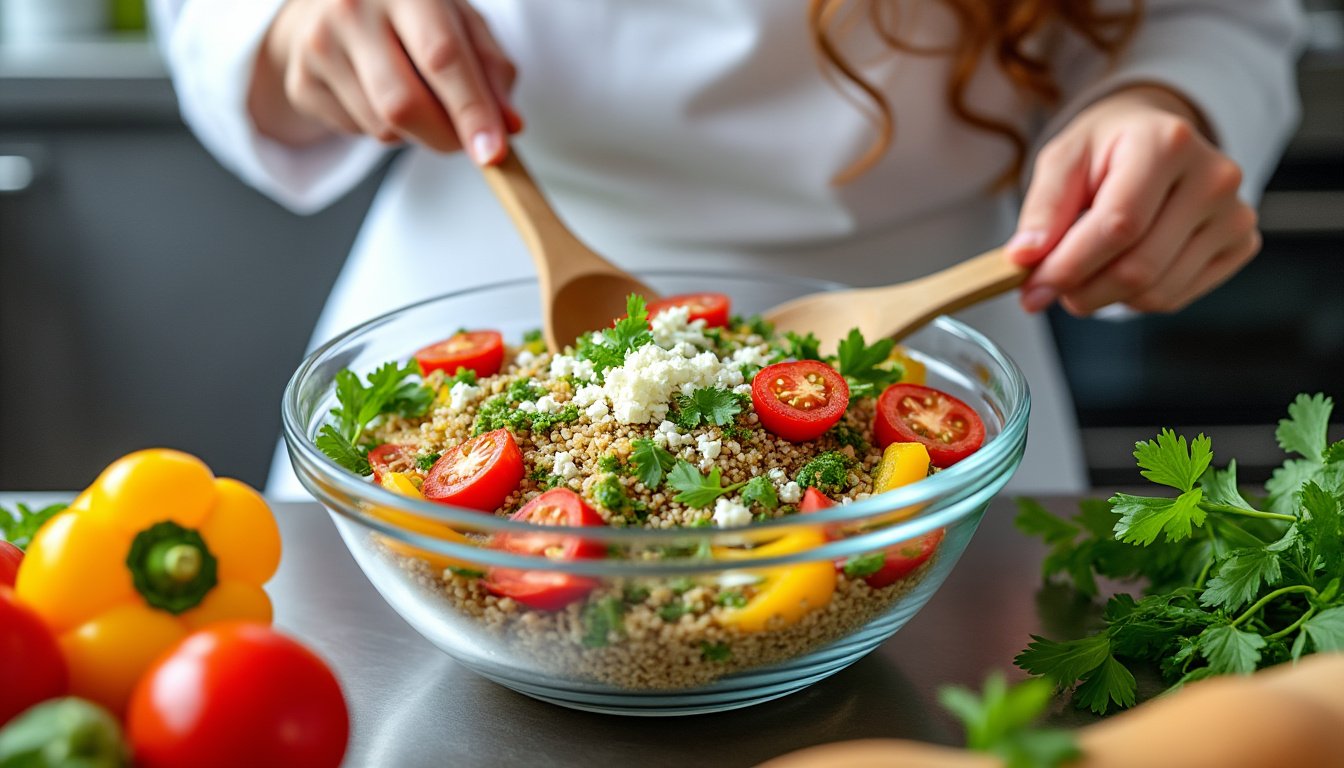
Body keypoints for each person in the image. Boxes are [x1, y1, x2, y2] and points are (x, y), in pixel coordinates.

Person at [151, 0, 1302, 496]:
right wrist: (288, 29)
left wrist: (1171, 98)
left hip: (934, 354)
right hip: (472, 290)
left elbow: (1223, 14)